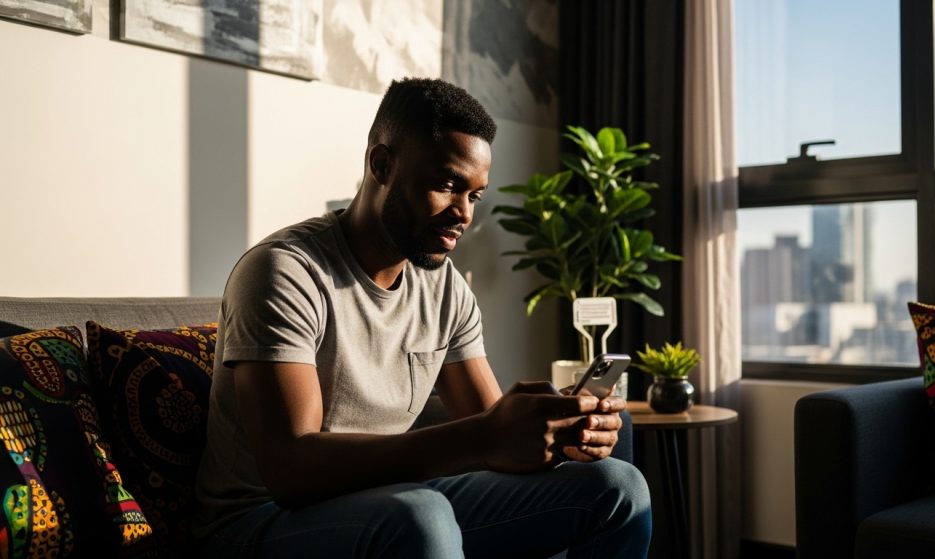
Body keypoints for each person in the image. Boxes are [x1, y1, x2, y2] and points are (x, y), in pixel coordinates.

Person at [193, 77, 652, 558]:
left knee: (617, 485)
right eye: (447, 185)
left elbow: (487, 426)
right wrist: (485, 436)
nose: (463, 213)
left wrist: (557, 431)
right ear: (382, 165)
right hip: (262, 521)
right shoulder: (284, 272)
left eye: (475, 195)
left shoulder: (444, 285)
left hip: (388, 502)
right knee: (421, 516)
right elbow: (291, 471)